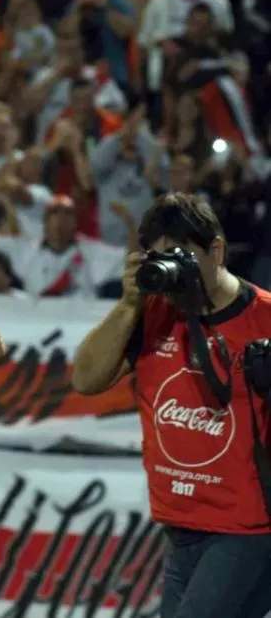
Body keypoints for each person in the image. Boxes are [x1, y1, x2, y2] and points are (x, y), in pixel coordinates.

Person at [72, 193, 271, 618]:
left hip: (247, 529)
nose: (172, 272)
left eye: (181, 258)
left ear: (216, 249)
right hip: (179, 526)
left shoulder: (265, 319)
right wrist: (129, 304)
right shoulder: (154, 312)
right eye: (159, 259)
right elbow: (85, 379)